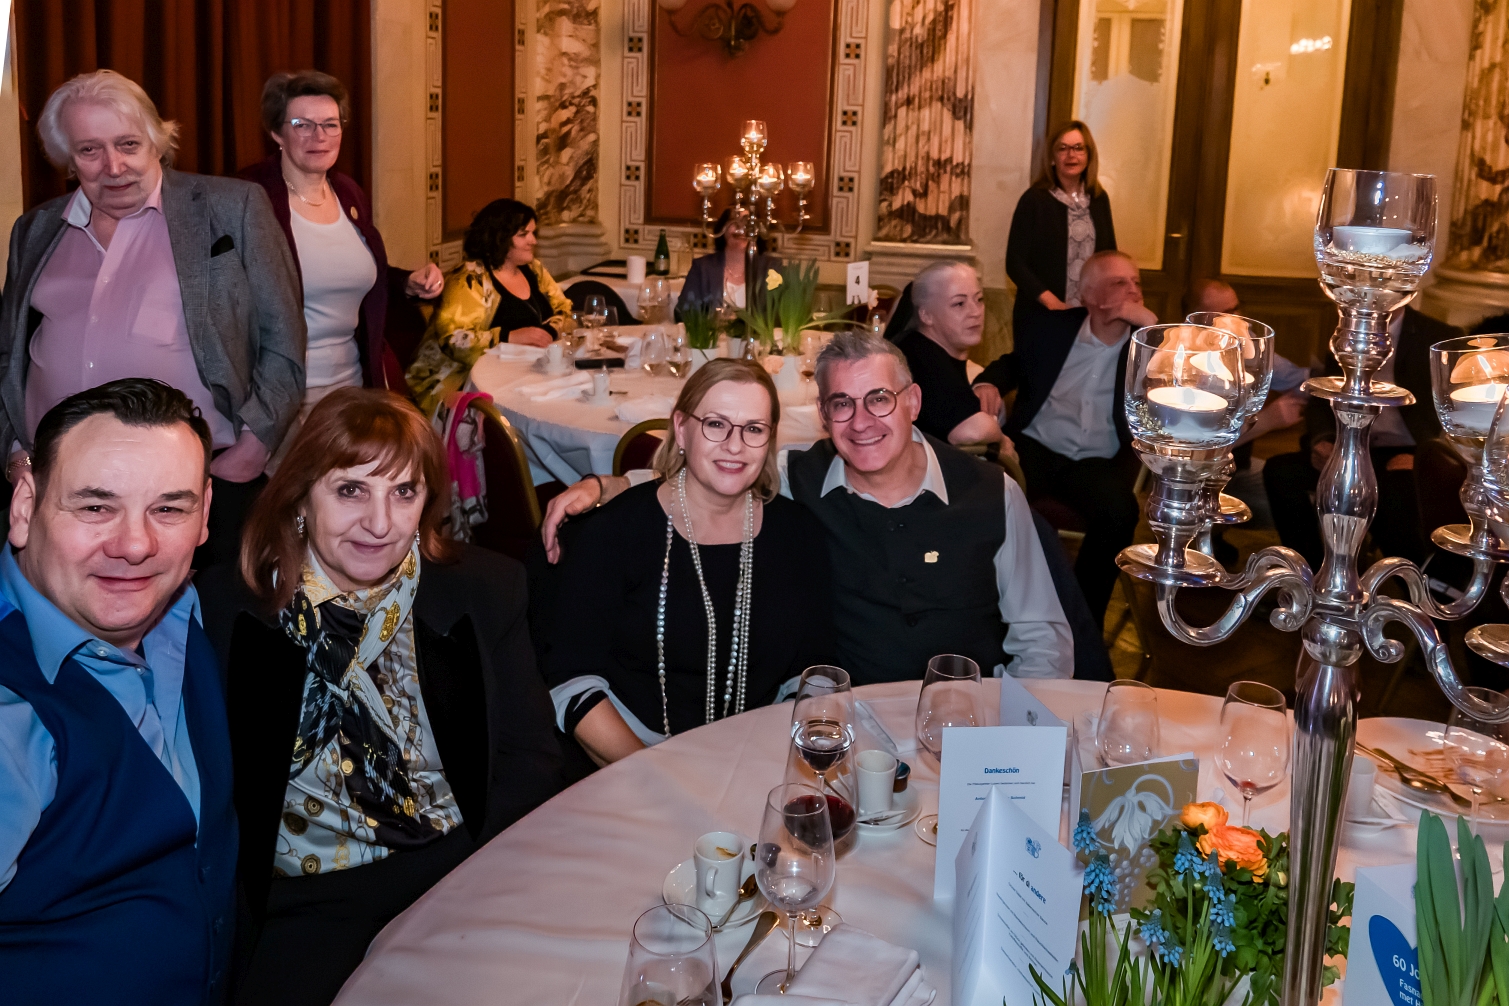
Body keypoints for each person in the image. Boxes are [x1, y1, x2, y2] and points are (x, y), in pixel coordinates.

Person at [196, 387, 562, 1005]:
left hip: (454, 871)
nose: (380, 522)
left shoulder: (484, 590)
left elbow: (530, 761)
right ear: (300, 497)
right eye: (350, 490)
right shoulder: (224, 609)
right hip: (303, 900)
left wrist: (468, 877)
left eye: (403, 492)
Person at [544, 333, 1074, 683]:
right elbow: (714, 471)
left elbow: (1042, 641)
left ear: (912, 402)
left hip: (968, 721)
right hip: (848, 723)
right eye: (842, 403)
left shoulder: (992, 492)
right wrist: (607, 485)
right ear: (823, 414)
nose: (861, 422)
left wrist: (1011, 744)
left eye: (879, 399)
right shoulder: (798, 479)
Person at [0, 69, 305, 569]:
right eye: (89, 150)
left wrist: (254, 445)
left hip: (198, 485)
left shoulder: (233, 208)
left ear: (156, 141)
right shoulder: (35, 229)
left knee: (203, 614)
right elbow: (10, 353)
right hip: (58, 486)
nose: (113, 166)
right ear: (68, 159)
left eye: (128, 144)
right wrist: (17, 451)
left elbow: (284, 339)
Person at [0, 379, 236, 1003]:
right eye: (95, 508)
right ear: (25, 505)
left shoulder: (184, 611)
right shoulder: (10, 712)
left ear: (206, 515)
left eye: (169, 509)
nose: (135, 546)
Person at [542, 359, 833, 765]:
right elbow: (572, 680)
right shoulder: (616, 531)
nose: (735, 445)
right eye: (715, 424)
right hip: (633, 756)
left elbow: (814, 673)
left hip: (758, 752)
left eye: (753, 429)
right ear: (681, 428)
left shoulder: (797, 534)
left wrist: (777, 759)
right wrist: (655, 775)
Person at [242, 71, 444, 440]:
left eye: (330, 124)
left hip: (353, 389)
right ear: (276, 133)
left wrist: (407, 282)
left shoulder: (348, 193)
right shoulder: (247, 197)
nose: (319, 136)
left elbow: (354, 271)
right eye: (303, 124)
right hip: (281, 403)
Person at [974, 250, 1155, 624]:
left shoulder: (1149, 349)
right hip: (1034, 447)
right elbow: (1013, 363)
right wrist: (988, 382)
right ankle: (986, 609)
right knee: (985, 496)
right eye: (1119, 282)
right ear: (1089, 295)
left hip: (1096, 461)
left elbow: (1181, 377)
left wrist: (1152, 330)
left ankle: (1081, 623)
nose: (1133, 290)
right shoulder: (1054, 328)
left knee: (1120, 512)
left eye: (1136, 282)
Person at [1261, 306, 1458, 569]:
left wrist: (1422, 458)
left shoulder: (1438, 335)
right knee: (1280, 472)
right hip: (1348, 445)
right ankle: (1308, 573)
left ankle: (1412, 580)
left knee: (1394, 496)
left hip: (1407, 452)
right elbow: (1321, 397)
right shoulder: (1345, 328)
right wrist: (1322, 440)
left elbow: (1455, 410)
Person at [405, 198, 574, 417]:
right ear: (499, 237)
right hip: (461, 382)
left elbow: (565, 309)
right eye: (523, 234)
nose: (533, 241)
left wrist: (549, 331)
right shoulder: (469, 278)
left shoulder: (533, 269)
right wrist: (509, 337)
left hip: (524, 373)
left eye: (533, 233)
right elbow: (453, 340)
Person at [1005, 120, 1117, 339]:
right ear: (1052, 158)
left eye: (1078, 148)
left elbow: (1109, 255)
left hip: (1089, 317)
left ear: (1088, 155)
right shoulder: (1034, 200)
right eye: (1062, 148)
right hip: (1042, 314)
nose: (1071, 155)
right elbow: (1015, 263)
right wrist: (1052, 303)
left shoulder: (1098, 198)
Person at [893, 260, 1015, 453]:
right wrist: (1002, 439)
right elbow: (971, 431)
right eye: (959, 303)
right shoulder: (920, 355)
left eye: (979, 300)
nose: (975, 312)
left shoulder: (923, 347)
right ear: (926, 315)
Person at [677, 208, 778, 316]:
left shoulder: (772, 268)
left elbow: (779, 315)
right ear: (723, 228)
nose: (740, 227)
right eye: (734, 220)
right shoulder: (701, 268)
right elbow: (682, 313)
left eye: (747, 222)